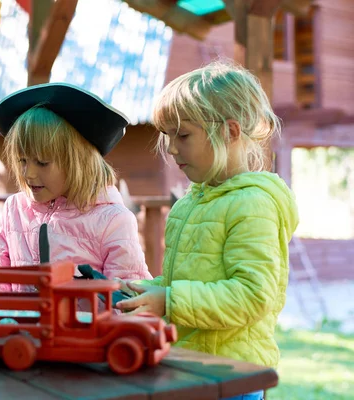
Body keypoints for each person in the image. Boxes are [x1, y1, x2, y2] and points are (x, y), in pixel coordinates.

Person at [115, 61, 298, 399]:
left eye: (182, 135)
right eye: (168, 136)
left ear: (230, 131)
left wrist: (168, 300)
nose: (171, 148)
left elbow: (252, 296)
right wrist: (142, 291)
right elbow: (188, 282)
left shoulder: (253, 204)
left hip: (230, 377)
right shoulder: (188, 204)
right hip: (190, 369)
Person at [0, 83, 152, 294]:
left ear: (78, 161)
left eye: (42, 163)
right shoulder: (14, 209)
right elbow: (4, 286)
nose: (28, 174)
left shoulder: (114, 221)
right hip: (18, 326)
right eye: (22, 160)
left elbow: (125, 301)